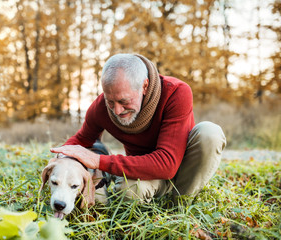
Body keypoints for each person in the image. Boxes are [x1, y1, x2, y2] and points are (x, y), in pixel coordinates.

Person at [50, 53, 226, 202]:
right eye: (110, 101)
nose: (117, 110)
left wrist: (98, 161)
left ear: (145, 86)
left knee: (210, 133)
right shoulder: (101, 108)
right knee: (129, 189)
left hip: (185, 171)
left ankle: (180, 202)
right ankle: (153, 199)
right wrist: (61, 157)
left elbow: (167, 164)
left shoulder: (176, 92)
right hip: (147, 174)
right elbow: (81, 139)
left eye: (124, 101)